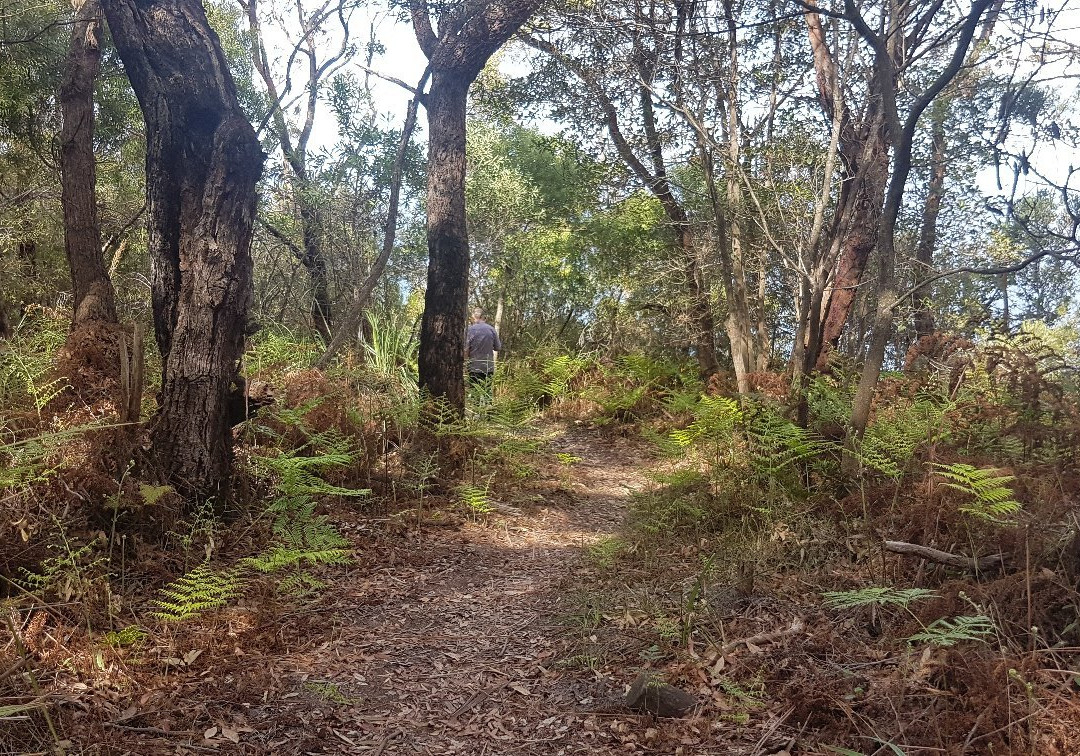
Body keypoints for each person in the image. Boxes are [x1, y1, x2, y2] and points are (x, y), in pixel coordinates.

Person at [466, 308, 502, 387]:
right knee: (487, 393)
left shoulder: (470, 330)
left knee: (474, 392)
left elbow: (466, 350)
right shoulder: (491, 329)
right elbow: (498, 347)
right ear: (484, 317)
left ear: (474, 317)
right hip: (489, 368)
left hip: (474, 367)